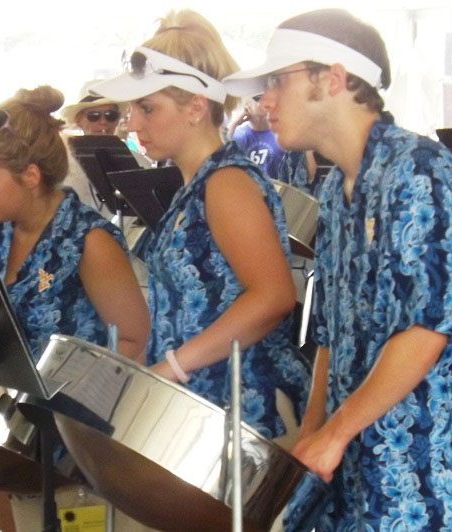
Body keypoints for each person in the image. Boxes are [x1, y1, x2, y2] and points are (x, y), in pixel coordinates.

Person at [224, 8, 452, 529]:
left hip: (435, 484)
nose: (264, 100)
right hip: (366, 482)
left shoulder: (419, 172)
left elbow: (426, 330)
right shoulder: (336, 194)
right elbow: (330, 338)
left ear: (335, 79)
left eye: (278, 80)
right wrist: (309, 440)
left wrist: (335, 433)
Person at [92, 4, 310, 457]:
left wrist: (172, 366)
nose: (133, 123)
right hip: (210, 405)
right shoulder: (200, 183)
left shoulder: (226, 183)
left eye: (148, 108)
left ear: (196, 107)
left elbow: (273, 295)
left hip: (248, 409)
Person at [0, 86, 150, 529]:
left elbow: (133, 340)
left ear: (30, 175)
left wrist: (69, 408)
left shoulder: (90, 241)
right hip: (17, 442)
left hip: (79, 454)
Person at [230, 98, 285, 178]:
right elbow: (220, 158)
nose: (264, 102)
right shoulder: (238, 135)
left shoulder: (280, 133)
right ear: (247, 105)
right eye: (257, 99)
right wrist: (234, 124)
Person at [61, 79, 128, 136]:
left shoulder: (128, 151)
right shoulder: (65, 151)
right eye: (94, 116)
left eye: (110, 115)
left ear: (117, 119)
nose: (103, 121)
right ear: (78, 120)